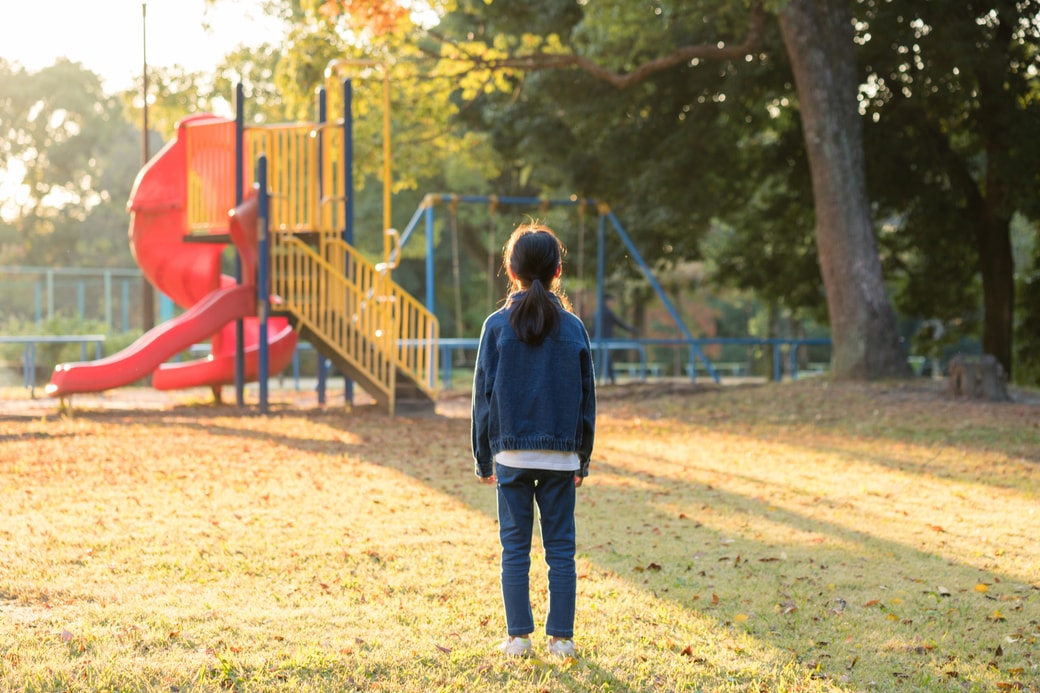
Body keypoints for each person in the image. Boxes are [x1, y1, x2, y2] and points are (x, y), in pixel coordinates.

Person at [471, 222, 597, 659]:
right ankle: (561, 638)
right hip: (561, 454)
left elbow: (482, 398)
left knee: (515, 548)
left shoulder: (495, 325)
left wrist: (483, 458)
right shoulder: (574, 328)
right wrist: (582, 457)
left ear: (511, 269)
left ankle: (519, 638)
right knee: (561, 548)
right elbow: (587, 398)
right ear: (558, 270)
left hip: (511, 451)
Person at [593, 293, 635, 384]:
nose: (611, 303)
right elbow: (618, 322)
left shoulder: (597, 312)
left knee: (603, 359)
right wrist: (631, 329)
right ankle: (610, 378)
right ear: (606, 301)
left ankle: (608, 378)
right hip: (605, 340)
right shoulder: (607, 313)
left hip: (599, 340)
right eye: (610, 301)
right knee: (606, 359)